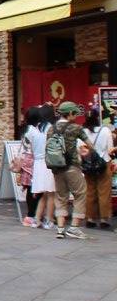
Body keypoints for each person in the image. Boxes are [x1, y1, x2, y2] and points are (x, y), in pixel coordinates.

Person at [48, 102, 87, 240]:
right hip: (72, 166)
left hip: (56, 167)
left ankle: (60, 229)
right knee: (80, 193)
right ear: (69, 113)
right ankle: (74, 228)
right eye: (75, 113)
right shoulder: (76, 128)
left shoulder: (51, 128)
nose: (76, 116)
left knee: (61, 196)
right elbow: (89, 144)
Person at [82, 109, 114, 230]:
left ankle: (90, 218)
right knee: (104, 192)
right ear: (98, 118)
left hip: (88, 165)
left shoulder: (83, 131)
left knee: (90, 191)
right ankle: (103, 219)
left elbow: (81, 149)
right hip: (104, 163)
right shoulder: (105, 130)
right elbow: (110, 149)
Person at [30, 103, 56, 229]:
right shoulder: (51, 128)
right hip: (48, 163)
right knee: (51, 193)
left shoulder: (35, 129)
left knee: (43, 194)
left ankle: (37, 219)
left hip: (38, 163)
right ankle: (49, 220)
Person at [17, 107, 40, 226]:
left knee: (30, 189)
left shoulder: (26, 129)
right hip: (32, 161)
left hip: (25, 160)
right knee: (34, 190)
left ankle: (30, 215)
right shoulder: (34, 131)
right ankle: (31, 215)